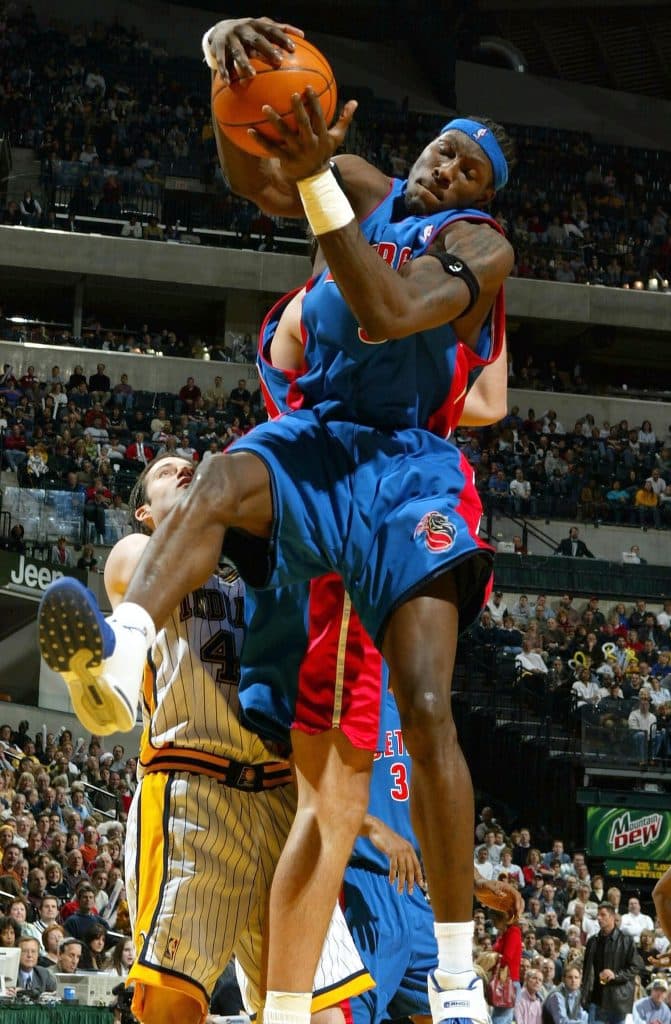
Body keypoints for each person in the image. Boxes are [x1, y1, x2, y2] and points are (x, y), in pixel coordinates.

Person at [38, 15, 515, 1024]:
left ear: (484, 196)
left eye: (468, 165)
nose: (445, 166)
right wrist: (225, 74)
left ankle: (458, 979)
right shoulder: (371, 194)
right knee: (214, 481)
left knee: (424, 712)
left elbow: (385, 311)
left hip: (409, 474)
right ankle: (120, 662)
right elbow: (256, 170)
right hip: (322, 444)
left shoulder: (475, 248)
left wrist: (310, 184)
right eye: (441, 147)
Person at [71, 454, 372, 1024]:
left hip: (285, 797)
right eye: (165, 471)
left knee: (322, 1013)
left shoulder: (262, 564)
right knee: (170, 1004)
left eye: (191, 464)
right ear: (144, 511)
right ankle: (103, 677)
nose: (183, 468)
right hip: (194, 788)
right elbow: (136, 562)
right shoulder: (140, 552)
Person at [580, 902, 643, 1024]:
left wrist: (616, 975)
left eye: (603, 915)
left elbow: (636, 966)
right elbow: (587, 971)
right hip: (597, 999)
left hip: (618, 1001)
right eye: (598, 915)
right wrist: (584, 994)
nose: (599, 918)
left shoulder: (626, 940)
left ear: (613, 917)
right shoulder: (592, 941)